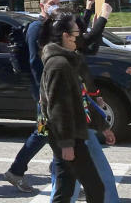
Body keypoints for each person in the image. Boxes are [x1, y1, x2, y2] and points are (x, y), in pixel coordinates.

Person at [40, 12, 104, 203]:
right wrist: (67, 143)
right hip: (68, 136)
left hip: (67, 134)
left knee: (65, 189)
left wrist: (103, 125)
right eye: (77, 33)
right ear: (66, 36)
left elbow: (80, 99)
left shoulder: (65, 61)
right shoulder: (59, 64)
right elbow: (58, 107)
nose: (80, 38)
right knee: (95, 188)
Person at [4, 0, 61, 193]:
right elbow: (34, 62)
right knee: (45, 131)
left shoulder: (52, 27)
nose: (56, 6)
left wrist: (89, 11)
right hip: (43, 90)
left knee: (51, 132)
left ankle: (60, 175)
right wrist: (41, 90)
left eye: (58, 3)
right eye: (52, 3)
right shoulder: (37, 28)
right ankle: (17, 171)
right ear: (42, 6)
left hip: (53, 87)